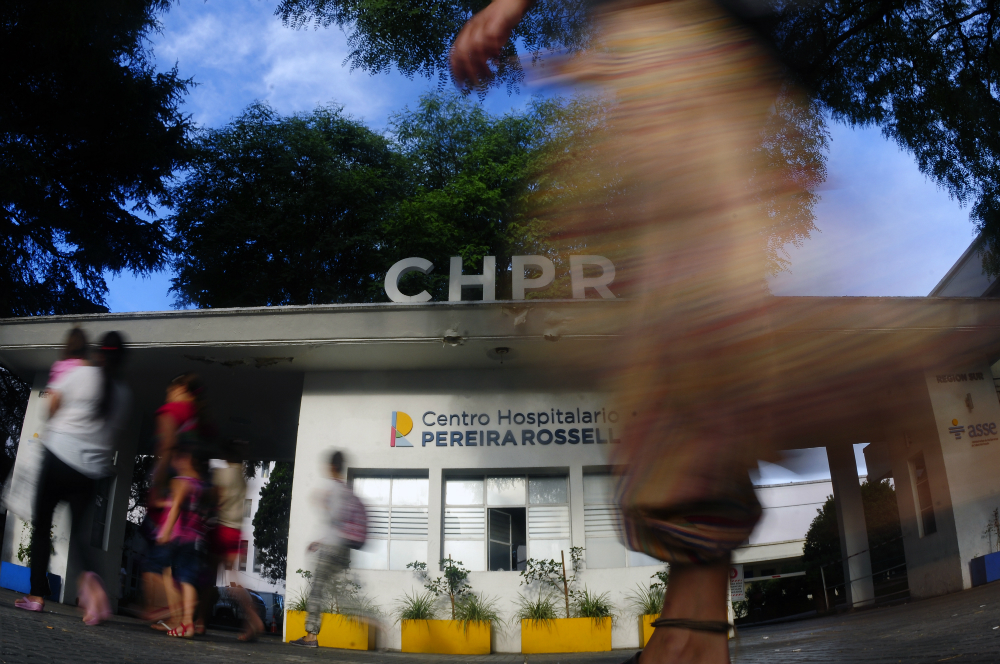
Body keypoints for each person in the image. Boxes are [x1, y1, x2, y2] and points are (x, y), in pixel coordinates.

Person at [452, 2, 796, 663]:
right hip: (692, 67)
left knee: (691, 336)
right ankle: (694, 630)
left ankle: (692, 635)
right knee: (683, 348)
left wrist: (503, 11)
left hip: (690, 65)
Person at [16, 331, 131, 626]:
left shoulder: (79, 374)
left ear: (99, 353)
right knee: (79, 537)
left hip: (58, 459)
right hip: (89, 473)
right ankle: (93, 590)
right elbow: (113, 437)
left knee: (42, 529)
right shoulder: (122, 394)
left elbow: (50, 407)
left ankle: (37, 596)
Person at [142, 373, 205, 630]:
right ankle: (183, 621)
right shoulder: (195, 420)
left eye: (171, 391)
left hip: (176, 530)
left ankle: (171, 614)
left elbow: (177, 501)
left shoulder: (175, 411)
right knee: (184, 576)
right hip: (191, 535)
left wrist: (166, 526)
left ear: (180, 389)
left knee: (160, 567)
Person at [200, 441, 265, 641]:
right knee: (232, 580)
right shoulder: (241, 478)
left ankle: (200, 621)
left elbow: (212, 500)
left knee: (208, 579)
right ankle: (252, 618)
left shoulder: (223, 474)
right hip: (236, 531)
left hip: (220, 529)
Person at [290, 450, 352, 648]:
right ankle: (374, 623)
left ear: (332, 467)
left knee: (317, 590)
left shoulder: (333, 489)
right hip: (343, 548)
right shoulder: (346, 490)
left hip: (331, 548)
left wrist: (322, 503)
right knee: (339, 593)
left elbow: (335, 521)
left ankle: (311, 636)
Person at [156, 440, 209, 638]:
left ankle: (185, 622)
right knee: (187, 581)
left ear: (187, 460)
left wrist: (165, 531)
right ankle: (186, 623)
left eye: (178, 458)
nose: (175, 462)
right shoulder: (199, 485)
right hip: (197, 539)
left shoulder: (182, 482)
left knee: (182, 579)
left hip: (184, 539)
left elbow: (177, 506)